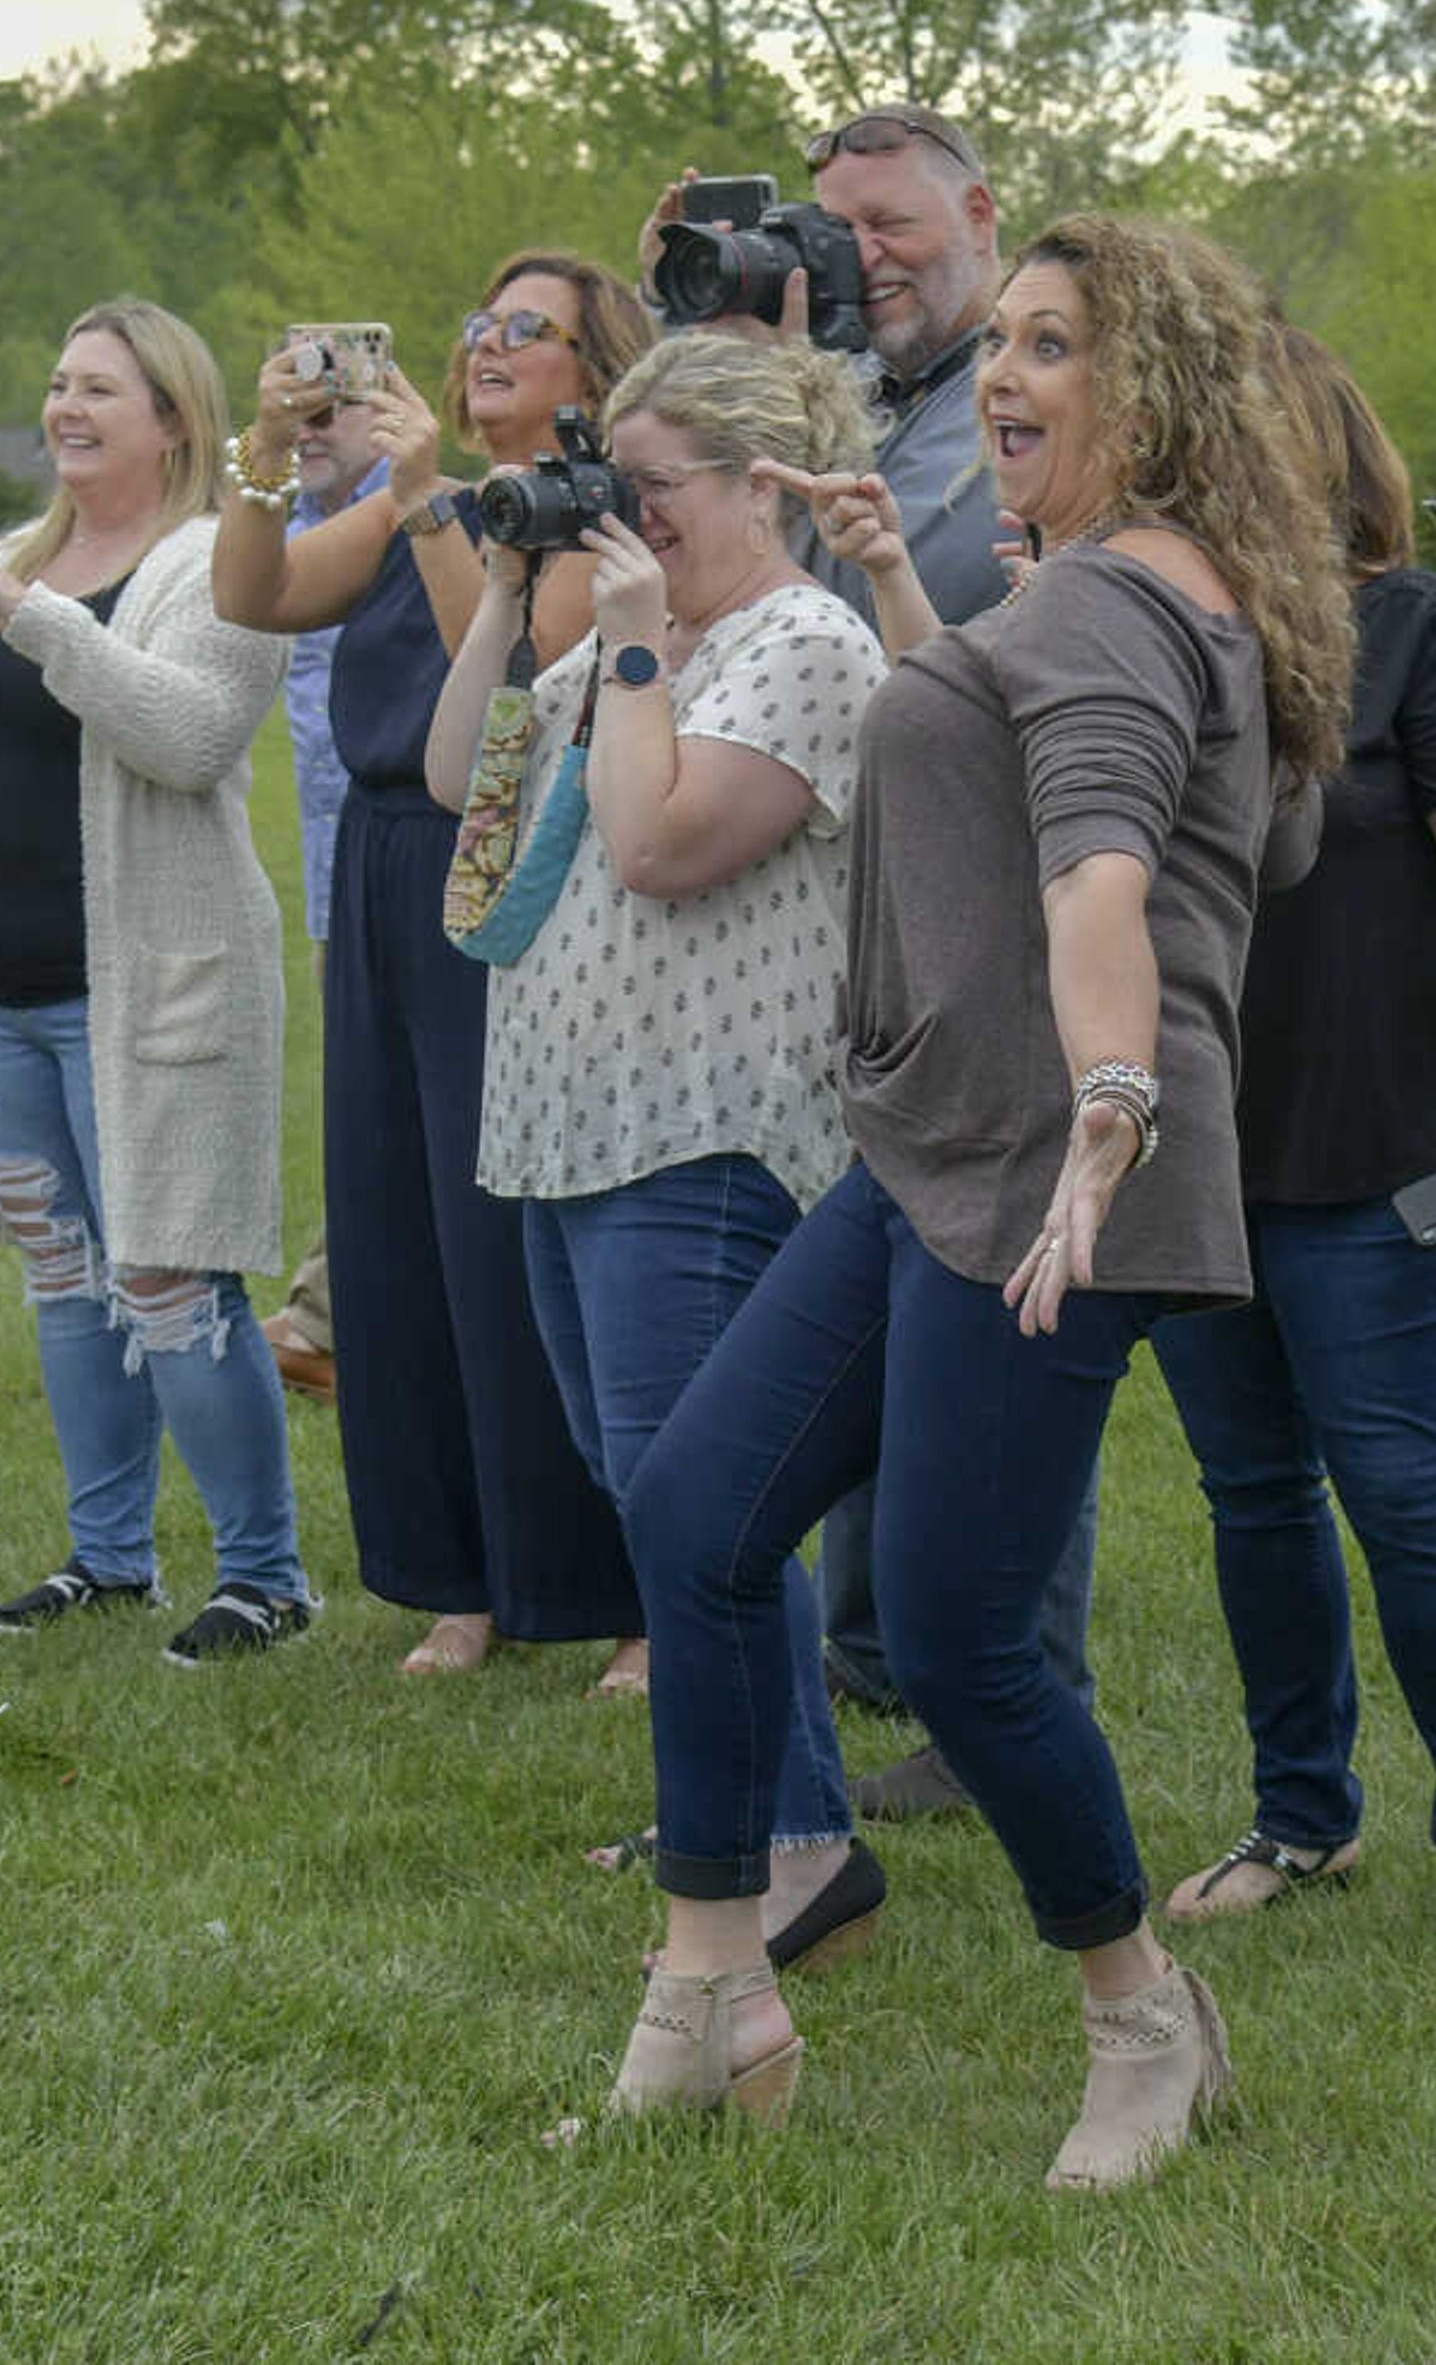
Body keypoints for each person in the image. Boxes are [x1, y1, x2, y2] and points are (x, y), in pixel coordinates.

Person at [589, 215, 1349, 2190]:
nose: (1003, 376)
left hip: (1044, 1173)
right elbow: (1046, 786)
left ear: (1157, 392)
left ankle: (1138, 2007)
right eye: (1001, 341)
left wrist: (1108, 1098)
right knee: (697, 1510)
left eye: (1055, 346)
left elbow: (1097, 872)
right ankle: (713, 1970)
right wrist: (912, 595)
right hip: (950, 1140)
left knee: (953, 1630)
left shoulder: (1110, 604)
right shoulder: (1123, 587)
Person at [643, 101, 1099, 1818]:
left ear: (983, 211)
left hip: (1004, 920)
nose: (862, 258)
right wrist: (734, 342)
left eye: (890, 225)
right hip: (852, 921)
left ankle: (1003, 1684)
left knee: (998, 1297)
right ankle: (877, 1653)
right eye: (833, 229)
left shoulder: (1013, 414)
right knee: (874, 1298)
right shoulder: (872, 394)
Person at [433, 330, 890, 1959]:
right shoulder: (633, 636)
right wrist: (507, 592)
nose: (619, 518)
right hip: (569, 1126)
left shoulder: (804, 644)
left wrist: (632, 654)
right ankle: (759, 1817)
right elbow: (463, 798)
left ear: (761, 483)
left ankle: (788, 1841)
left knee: (707, 1510)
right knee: (660, 1505)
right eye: (602, 488)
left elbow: (658, 841)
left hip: (706, 1134)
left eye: (648, 490)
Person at [1144, 323, 1436, 1978]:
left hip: (1383, 1142)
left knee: (1407, 1497)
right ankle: (1299, 1811)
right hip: (1198, 1148)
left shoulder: (1416, 632)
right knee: (1253, 1496)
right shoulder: (1168, 638)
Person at [0, 299, 316, 1664]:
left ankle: (265, 1576)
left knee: (170, 1279)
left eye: (101, 388)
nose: (66, 408)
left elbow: (193, 734)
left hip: (147, 993)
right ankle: (109, 1559)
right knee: (64, 1276)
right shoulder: (9, 557)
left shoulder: (212, 562)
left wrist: (40, 620)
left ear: (174, 418)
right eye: (57, 383)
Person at [212, 254, 646, 1686]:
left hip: (507, 872)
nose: (492, 345)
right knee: (395, 1232)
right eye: (481, 323)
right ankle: (456, 1575)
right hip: (383, 873)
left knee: (507, 1235)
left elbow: (520, 682)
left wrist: (414, 501)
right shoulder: (422, 505)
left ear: (594, 368)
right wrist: (267, 451)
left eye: (535, 329)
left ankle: (606, 1585)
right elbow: (254, 593)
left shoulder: (599, 521)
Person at [258, 387, 390, 1407]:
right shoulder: (290, 524)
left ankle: (328, 1321)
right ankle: (330, 1314)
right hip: (332, 859)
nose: (312, 425)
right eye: (298, 406)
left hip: (410, 847)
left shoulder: (410, 509)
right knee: (364, 1091)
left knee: (389, 1097)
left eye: (337, 405)